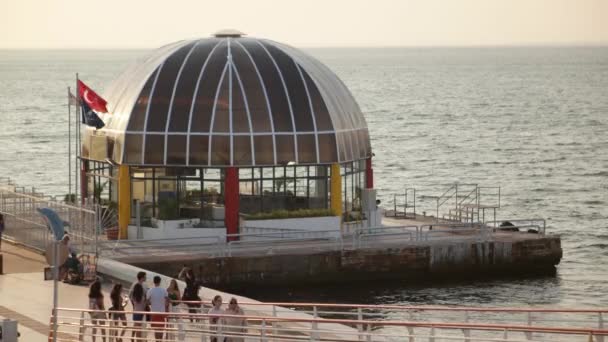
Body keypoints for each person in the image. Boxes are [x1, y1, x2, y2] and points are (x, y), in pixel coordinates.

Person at [146, 275, 169, 342]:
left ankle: (157, 341)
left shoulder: (150, 290)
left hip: (154, 312)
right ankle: (160, 341)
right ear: (160, 281)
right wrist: (166, 306)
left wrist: (152, 302)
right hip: (162, 311)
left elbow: (147, 302)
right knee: (161, 329)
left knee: (156, 329)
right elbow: (167, 300)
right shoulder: (164, 290)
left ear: (154, 281)